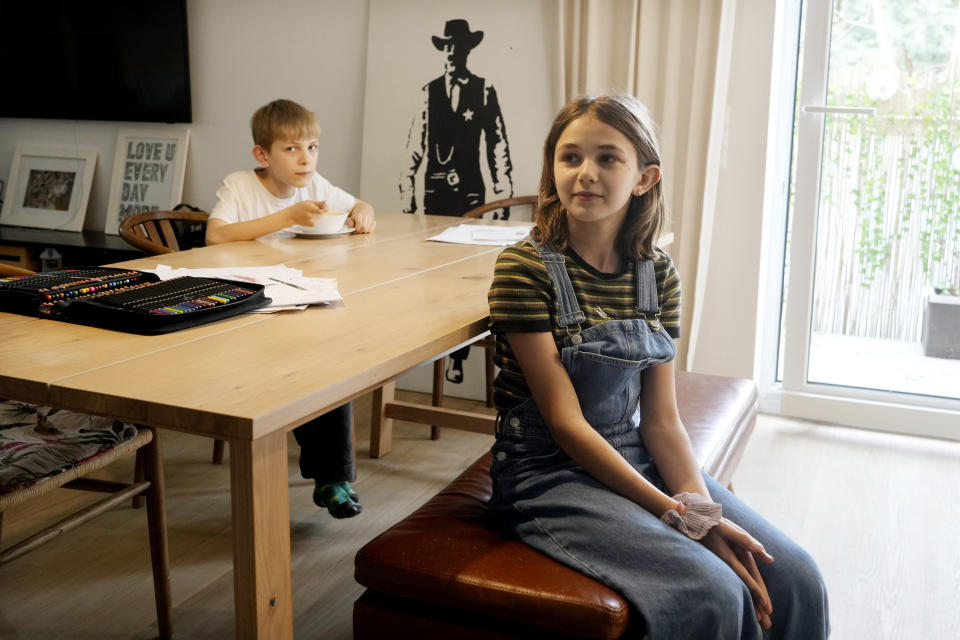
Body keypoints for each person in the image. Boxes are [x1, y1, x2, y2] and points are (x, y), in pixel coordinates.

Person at [486, 94, 829, 638]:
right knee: (714, 590)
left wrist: (700, 510)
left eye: (608, 158)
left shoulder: (657, 273)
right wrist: (679, 516)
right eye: (570, 157)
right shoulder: (524, 270)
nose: (585, 174)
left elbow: (663, 421)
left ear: (644, 178)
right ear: (552, 169)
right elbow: (566, 425)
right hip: (546, 475)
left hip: (634, 452)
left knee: (796, 576)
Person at [206, 98, 375, 518]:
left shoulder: (315, 185)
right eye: (292, 149)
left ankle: (332, 479)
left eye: (313, 147)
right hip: (243, 308)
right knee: (312, 362)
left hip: (293, 302)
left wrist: (363, 211)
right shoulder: (241, 185)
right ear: (263, 154)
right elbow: (216, 236)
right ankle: (330, 478)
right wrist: (286, 216)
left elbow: (356, 204)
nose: (306, 159)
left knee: (330, 361)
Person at [400, 19, 515, 383]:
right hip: (435, 195)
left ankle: (460, 354)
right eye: (447, 47)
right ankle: (432, 344)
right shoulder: (428, 91)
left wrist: (503, 192)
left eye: (458, 47)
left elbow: (498, 145)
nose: (452, 53)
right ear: (443, 50)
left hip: (472, 196)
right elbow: (414, 149)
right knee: (433, 277)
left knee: (469, 280)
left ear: (467, 50)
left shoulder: (484, 90)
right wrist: (408, 197)